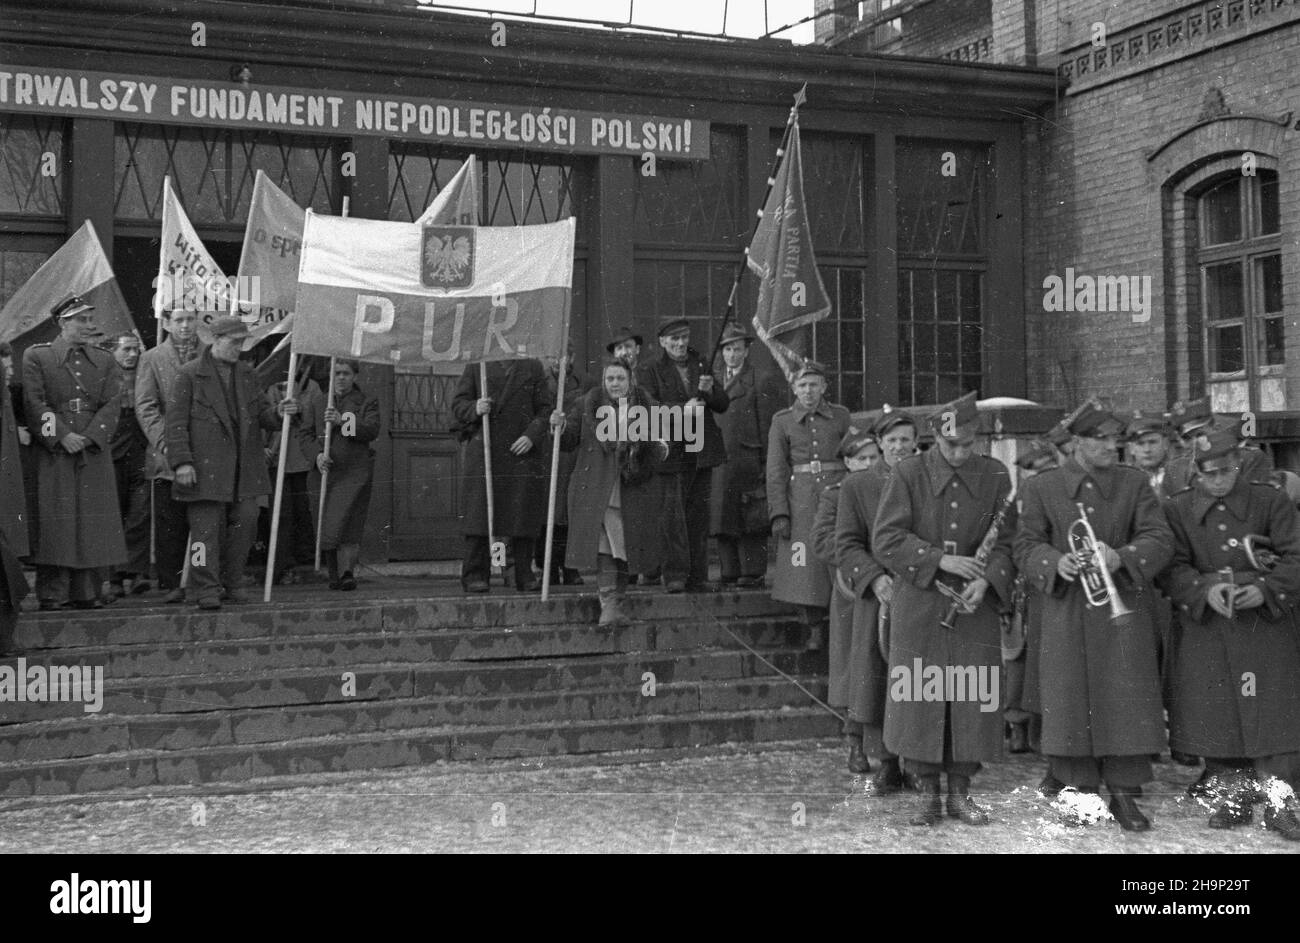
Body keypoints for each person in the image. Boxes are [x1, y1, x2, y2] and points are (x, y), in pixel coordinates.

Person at [1014, 402, 1173, 832]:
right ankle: (1079, 791)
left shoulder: (1134, 483)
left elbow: (1160, 538)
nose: (1111, 445)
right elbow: (1024, 545)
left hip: (1123, 613)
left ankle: (1123, 793)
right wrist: (1054, 563)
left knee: (1127, 700)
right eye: (1099, 438)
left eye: (1113, 438)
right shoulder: (1042, 487)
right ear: (1077, 442)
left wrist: (1120, 556)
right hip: (1066, 612)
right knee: (1069, 701)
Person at [873, 391, 1016, 827]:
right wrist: (940, 559)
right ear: (934, 437)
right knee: (921, 698)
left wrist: (987, 579)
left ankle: (961, 793)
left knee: (970, 699)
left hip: (974, 609)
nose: (959, 453)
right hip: (921, 604)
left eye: (967, 444)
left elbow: (1010, 543)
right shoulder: (908, 475)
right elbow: (886, 539)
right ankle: (927, 794)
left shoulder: (994, 475)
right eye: (951, 445)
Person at [1159, 428, 1300, 840]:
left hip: (1265, 625)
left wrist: (1267, 589)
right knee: (1217, 712)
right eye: (1208, 473)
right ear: (1196, 473)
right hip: (1208, 625)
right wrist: (1204, 589)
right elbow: (1171, 566)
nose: (1217, 480)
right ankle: (1234, 798)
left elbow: (1296, 554)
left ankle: (1280, 804)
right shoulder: (1178, 508)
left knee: (1272, 715)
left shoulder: (1269, 500)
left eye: (1224, 471)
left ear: (1236, 466)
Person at [166, 316, 297, 610]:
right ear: (215, 339)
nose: (240, 348)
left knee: (246, 523)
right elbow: (174, 424)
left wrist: (279, 412)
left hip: (244, 470)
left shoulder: (248, 374)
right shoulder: (188, 374)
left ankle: (232, 580)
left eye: (242, 342)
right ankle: (205, 587)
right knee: (204, 534)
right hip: (203, 469)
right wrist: (182, 463)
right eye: (234, 342)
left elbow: (264, 414)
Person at [22, 295, 126, 610]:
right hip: (55, 454)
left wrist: (92, 436)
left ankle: (87, 592)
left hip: (92, 452)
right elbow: (34, 403)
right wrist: (62, 436)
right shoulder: (37, 357)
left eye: (90, 319)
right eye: (81, 319)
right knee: (57, 521)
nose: (89, 325)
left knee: (92, 523)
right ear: (63, 322)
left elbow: (112, 404)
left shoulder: (105, 360)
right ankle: (53, 593)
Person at [836, 406, 919, 788]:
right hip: (878, 597)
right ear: (880, 444)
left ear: (916, 442)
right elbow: (847, 543)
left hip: (920, 593)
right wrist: (874, 579)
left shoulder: (927, 480)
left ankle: (919, 762)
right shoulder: (858, 486)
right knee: (877, 677)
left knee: (918, 679)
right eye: (891, 440)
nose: (899, 446)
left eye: (905, 439)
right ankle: (886, 761)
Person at [553, 357, 668, 625]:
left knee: (625, 546)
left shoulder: (646, 405)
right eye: (610, 379)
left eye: (620, 379)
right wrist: (560, 425)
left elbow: (662, 444)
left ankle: (615, 604)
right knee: (606, 547)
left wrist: (647, 444)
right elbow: (568, 441)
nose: (615, 384)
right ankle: (609, 605)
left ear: (631, 381)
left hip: (630, 487)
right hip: (596, 488)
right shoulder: (586, 404)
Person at [637, 317, 729, 592]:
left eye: (684, 338)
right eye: (674, 339)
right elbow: (648, 407)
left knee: (698, 515)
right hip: (672, 451)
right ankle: (675, 575)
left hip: (701, 450)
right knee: (672, 516)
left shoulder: (701, 363)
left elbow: (722, 404)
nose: (680, 344)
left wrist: (710, 390)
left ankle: (698, 576)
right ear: (663, 342)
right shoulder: (649, 369)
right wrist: (682, 409)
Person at [767, 361, 851, 650]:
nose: (808, 390)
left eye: (814, 384)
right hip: (800, 501)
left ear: (824, 387)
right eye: (802, 385)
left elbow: (853, 454)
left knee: (838, 554)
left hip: (837, 494)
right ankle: (813, 626)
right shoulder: (782, 420)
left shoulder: (841, 416)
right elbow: (776, 470)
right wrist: (779, 512)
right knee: (804, 564)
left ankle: (839, 625)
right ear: (793, 388)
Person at [810, 425, 878, 774]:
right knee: (854, 664)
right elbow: (822, 540)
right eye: (861, 459)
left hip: (887, 583)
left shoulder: (890, 488)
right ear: (848, 463)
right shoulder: (835, 496)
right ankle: (854, 743)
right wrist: (859, 558)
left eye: (873, 457)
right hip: (853, 587)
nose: (869, 464)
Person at [451, 358, 551, 593]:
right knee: (480, 514)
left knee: (521, 514)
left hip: (521, 451)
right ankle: (476, 573)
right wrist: (475, 407)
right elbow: (458, 404)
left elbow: (545, 408)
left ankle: (522, 574)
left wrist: (532, 435)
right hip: (486, 449)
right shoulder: (478, 365)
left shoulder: (533, 368)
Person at [136, 306, 205, 602]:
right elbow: (146, 406)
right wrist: (168, 444)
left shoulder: (211, 354)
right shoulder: (152, 358)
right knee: (170, 524)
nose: (185, 325)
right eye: (179, 320)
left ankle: (202, 580)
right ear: (166, 323)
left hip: (205, 451)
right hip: (167, 455)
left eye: (190, 319)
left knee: (204, 523)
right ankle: (172, 582)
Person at [710, 324, 785, 588]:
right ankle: (729, 570)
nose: (732, 355)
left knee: (749, 516)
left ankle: (753, 571)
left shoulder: (759, 379)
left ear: (746, 350)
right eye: (728, 349)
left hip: (747, 458)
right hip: (719, 460)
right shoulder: (713, 380)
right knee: (722, 515)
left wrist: (767, 462)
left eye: (738, 349)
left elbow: (767, 425)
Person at [300, 360, 380, 591]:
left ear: (354, 376)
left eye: (346, 373)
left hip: (353, 471)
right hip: (325, 471)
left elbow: (370, 429)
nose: (341, 378)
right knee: (326, 522)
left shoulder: (366, 401)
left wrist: (342, 421)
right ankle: (334, 574)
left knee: (348, 523)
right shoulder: (317, 402)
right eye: (337, 373)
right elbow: (305, 434)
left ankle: (347, 573)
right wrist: (316, 456)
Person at [1003, 438, 1057, 756]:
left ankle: (1042, 726)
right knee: (1018, 659)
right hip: (1022, 588)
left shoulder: (1063, 494)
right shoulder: (1016, 502)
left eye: (1046, 468)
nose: (1038, 476)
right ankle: (1017, 724)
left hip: (1051, 584)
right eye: (1032, 471)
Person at [264, 365, 323, 585]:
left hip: (303, 460)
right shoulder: (273, 389)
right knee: (281, 516)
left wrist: (301, 411)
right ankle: (282, 566)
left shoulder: (312, 388)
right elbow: (265, 419)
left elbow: (317, 419)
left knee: (304, 513)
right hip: (278, 460)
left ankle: (307, 562)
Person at [106, 332, 151, 597]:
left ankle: (136, 573)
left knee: (139, 514)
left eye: (136, 349)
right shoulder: (104, 375)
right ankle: (113, 578)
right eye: (126, 350)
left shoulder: (146, 373)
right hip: (112, 450)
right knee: (114, 514)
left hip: (141, 449)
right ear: (113, 351)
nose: (133, 354)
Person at [535, 345, 583, 586]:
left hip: (569, 453)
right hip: (543, 452)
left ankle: (570, 567)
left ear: (572, 357)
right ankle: (547, 568)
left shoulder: (581, 383)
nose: (558, 360)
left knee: (566, 512)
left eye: (564, 355)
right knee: (546, 513)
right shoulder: (538, 381)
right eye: (554, 354)